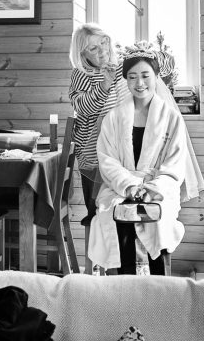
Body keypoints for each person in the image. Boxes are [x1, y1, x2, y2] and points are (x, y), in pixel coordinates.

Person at [86, 45, 195, 274]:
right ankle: (124, 285)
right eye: (132, 77)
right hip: (120, 188)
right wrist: (130, 187)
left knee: (157, 217)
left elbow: (174, 165)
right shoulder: (113, 118)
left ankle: (160, 284)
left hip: (158, 189)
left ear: (156, 77)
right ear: (126, 80)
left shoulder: (172, 118)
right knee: (117, 216)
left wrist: (151, 189)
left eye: (145, 76)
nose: (139, 83)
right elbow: (108, 161)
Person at [68, 23, 127, 229]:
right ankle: (99, 248)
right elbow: (83, 107)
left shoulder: (120, 66)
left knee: (120, 203)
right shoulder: (81, 74)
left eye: (104, 42)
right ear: (82, 54)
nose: (103, 50)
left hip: (119, 148)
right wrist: (104, 85)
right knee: (97, 209)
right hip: (92, 153)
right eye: (94, 48)